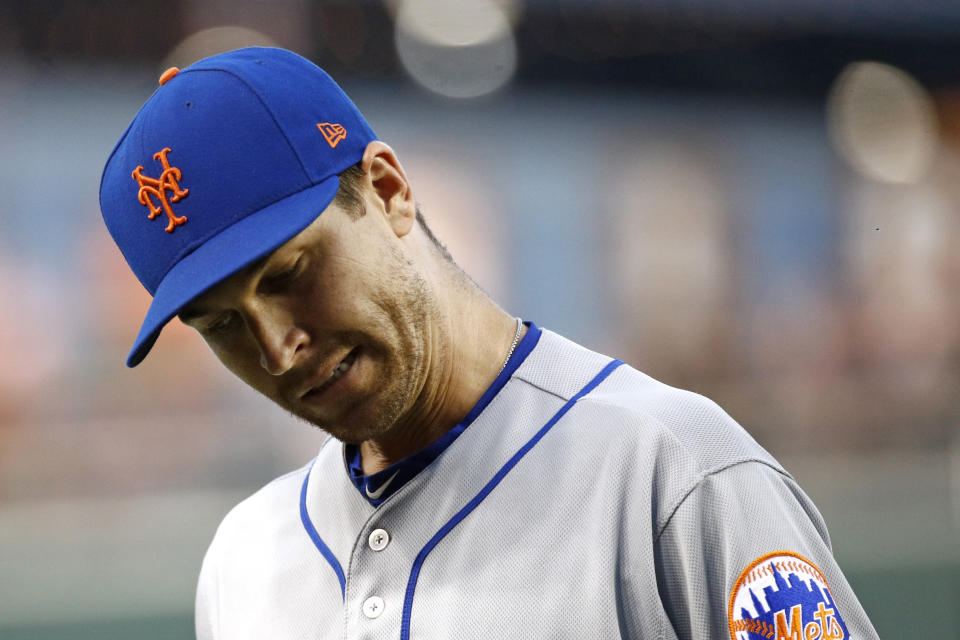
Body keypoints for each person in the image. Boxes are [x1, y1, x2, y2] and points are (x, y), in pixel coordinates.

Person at [99, 47, 878, 640]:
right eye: (221, 323)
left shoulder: (672, 473)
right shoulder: (244, 563)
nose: (277, 348)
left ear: (388, 192)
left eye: (290, 272)